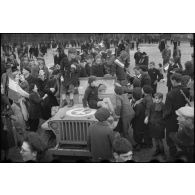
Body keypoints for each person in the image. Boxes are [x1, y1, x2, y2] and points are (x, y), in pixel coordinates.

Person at [163, 73, 190, 160]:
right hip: (185, 118)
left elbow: (167, 110)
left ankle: (173, 155)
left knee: (171, 139)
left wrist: (164, 118)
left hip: (172, 120)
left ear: (174, 81)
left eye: (171, 80)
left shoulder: (170, 94)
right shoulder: (187, 90)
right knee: (183, 137)